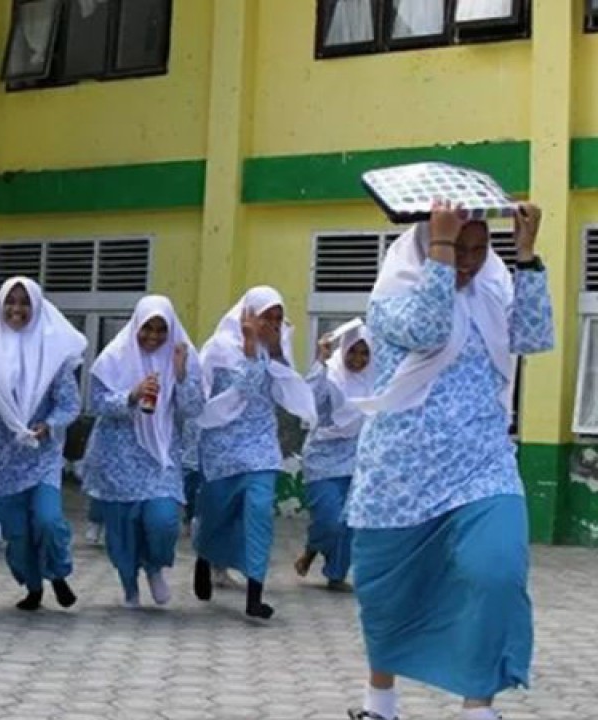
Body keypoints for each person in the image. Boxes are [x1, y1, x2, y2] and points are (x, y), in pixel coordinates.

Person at [346, 201, 552, 720]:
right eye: (457, 249)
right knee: (390, 593)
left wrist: (524, 256)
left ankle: (477, 705)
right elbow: (429, 329)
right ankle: (380, 702)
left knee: (497, 572)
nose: (467, 262)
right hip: (401, 473)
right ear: (425, 245)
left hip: (482, 465)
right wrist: (439, 245)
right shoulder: (392, 296)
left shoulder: (494, 290)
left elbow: (533, 336)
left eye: (479, 250)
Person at [193, 286, 316, 620]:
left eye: (278, 318)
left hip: (261, 446)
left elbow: (285, 390)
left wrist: (275, 352)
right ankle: (204, 557)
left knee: (259, 513)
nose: (273, 324)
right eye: (267, 317)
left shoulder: (274, 351)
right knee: (216, 513)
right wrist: (250, 349)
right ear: (248, 316)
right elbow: (221, 396)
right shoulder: (217, 348)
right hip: (221, 447)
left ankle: (254, 593)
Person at [79, 296, 205, 607]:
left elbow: (192, 409)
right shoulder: (114, 357)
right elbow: (96, 402)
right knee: (122, 528)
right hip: (118, 454)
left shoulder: (179, 357)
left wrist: (181, 374)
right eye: (147, 328)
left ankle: (154, 566)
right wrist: (131, 396)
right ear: (136, 325)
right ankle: (130, 587)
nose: (154, 336)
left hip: (161, 455)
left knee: (163, 521)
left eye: (162, 329)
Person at [0, 277, 86, 611]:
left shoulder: (55, 354)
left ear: (36, 307)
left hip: (41, 455)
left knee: (48, 521)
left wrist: (48, 426)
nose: (17, 309)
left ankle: (59, 572)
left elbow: (69, 404)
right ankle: (33, 585)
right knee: (17, 533)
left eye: (24, 302)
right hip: (1, 457)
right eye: (11, 301)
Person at [294, 321, 373, 592]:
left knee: (349, 521)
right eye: (353, 351)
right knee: (329, 519)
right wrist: (321, 361)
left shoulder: (374, 381)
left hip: (357, 459)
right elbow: (310, 402)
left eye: (365, 353)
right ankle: (312, 548)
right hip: (322, 459)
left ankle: (336, 574)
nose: (358, 359)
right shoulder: (330, 376)